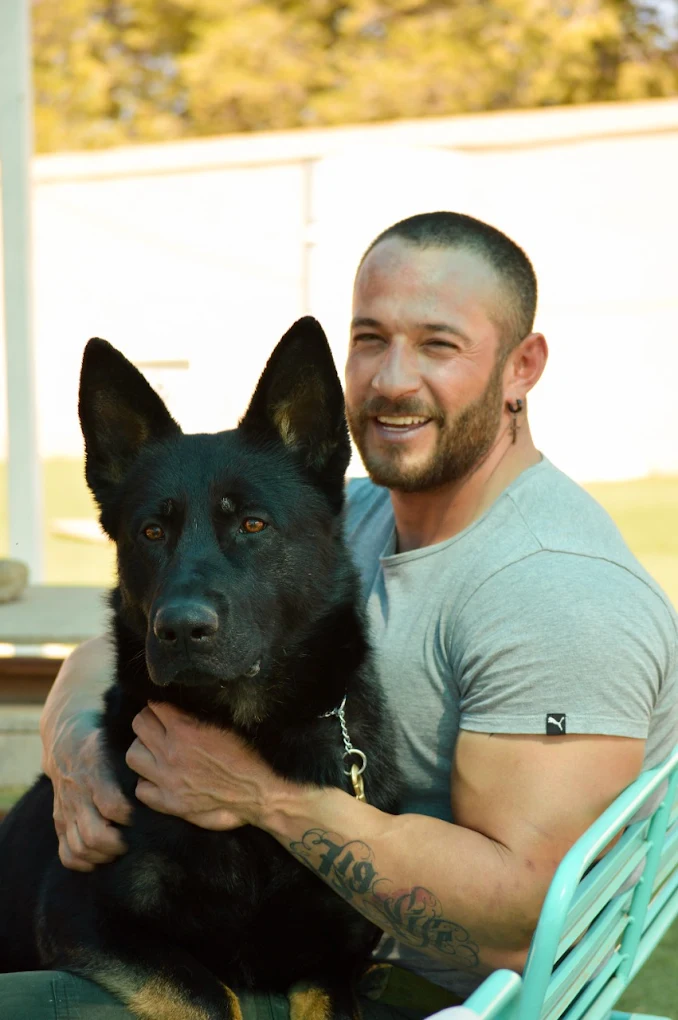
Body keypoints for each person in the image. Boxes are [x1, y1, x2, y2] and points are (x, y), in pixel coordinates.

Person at [2, 211, 677, 1019]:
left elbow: (523, 924)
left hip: (403, 994)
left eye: (438, 344)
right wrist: (75, 749)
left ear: (521, 366)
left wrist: (265, 798)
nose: (393, 379)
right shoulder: (335, 516)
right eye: (370, 338)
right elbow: (120, 643)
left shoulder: (559, 596)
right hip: (258, 941)